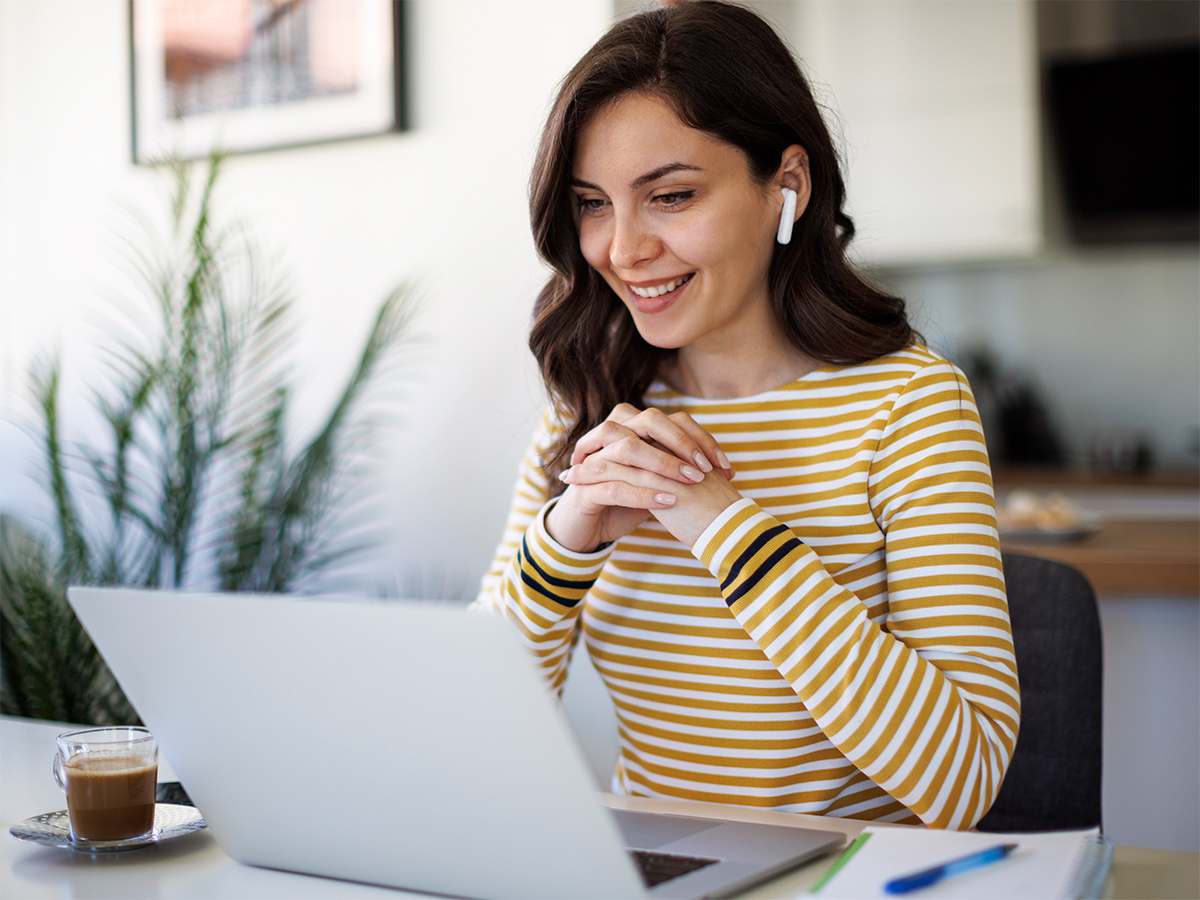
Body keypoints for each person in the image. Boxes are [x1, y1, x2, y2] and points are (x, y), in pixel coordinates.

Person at [471, 0, 1018, 831]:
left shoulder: (910, 404)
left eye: (672, 196)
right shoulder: (589, 412)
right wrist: (566, 535)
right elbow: (477, 724)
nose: (621, 250)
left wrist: (724, 525)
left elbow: (962, 778)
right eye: (592, 204)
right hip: (652, 876)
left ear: (786, 186)